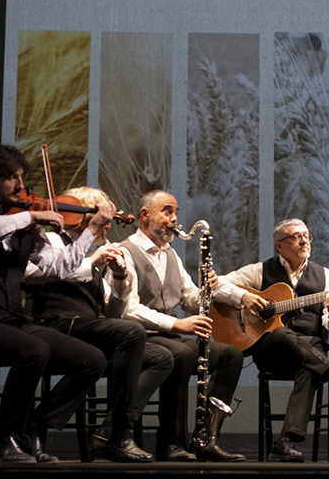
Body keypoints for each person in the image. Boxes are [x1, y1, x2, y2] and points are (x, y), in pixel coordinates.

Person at [0, 144, 109, 464]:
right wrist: (31, 217)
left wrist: (89, 231)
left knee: (92, 359)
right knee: (34, 350)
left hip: (10, 320)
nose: (21, 186)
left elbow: (59, 269)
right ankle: (4, 437)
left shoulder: (22, 221)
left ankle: (33, 427)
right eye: (11, 178)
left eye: (22, 177)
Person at [25, 187, 172, 462]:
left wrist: (118, 279)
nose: (108, 224)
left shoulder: (93, 255)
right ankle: (121, 433)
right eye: (102, 217)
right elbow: (50, 270)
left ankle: (111, 431)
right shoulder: (54, 241)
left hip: (86, 331)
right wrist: (92, 260)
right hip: (56, 325)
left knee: (161, 356)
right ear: (81, 217)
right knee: (130, 332)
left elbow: (114, 312)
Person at [216, 218, 329, 463]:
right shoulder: (261, 270)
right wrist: (244, 298)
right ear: (279, 246)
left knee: (310, 364)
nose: (304, 240)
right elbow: (216, 285)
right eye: (295, 236)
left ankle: (285, 442)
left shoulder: (325, 276)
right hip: (272, 352)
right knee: (280, 333)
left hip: (311, 348)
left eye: (306, 235)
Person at [114, 189, 246, 462]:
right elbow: (129, 309)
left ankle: (206, 437)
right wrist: (177, 324)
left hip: (170, 335)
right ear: (145, 215)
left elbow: (189, 299)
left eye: (176, 213)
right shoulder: (125, 252)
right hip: (140, 338)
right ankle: (171, 442)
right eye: (167, 211)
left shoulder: (170, 254)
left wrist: (206, 290)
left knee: (231, 355)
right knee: (183, 353)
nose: (174, 219)